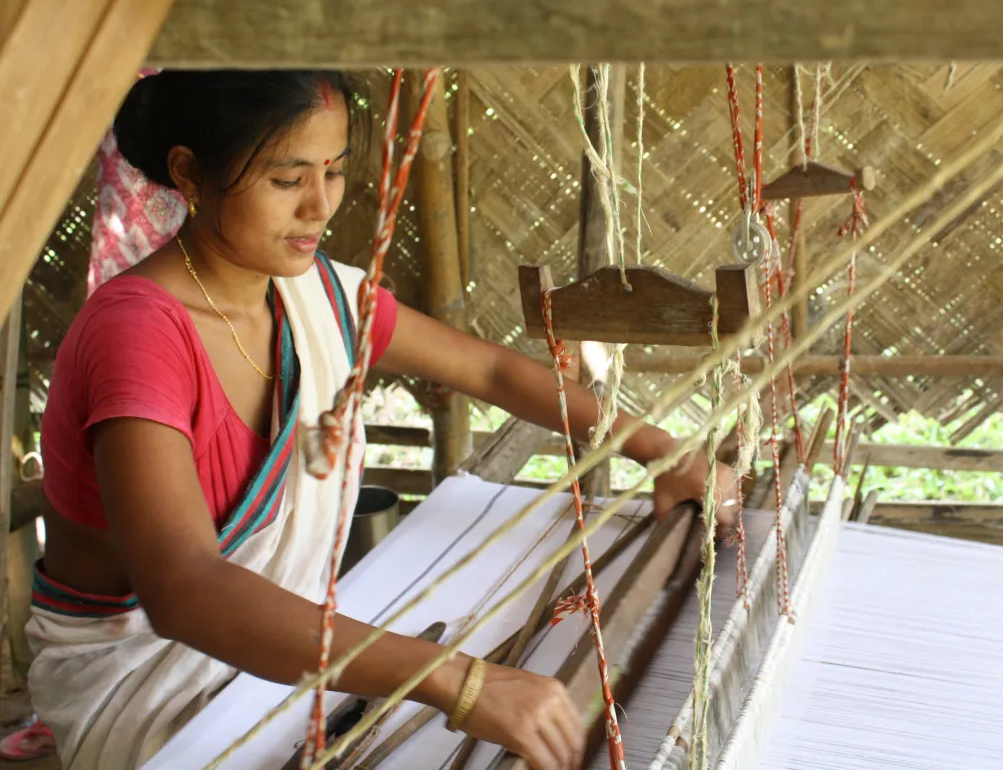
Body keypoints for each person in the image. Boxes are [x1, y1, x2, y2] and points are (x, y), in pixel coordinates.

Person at [26, 69, 736, 770]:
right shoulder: (138, 333)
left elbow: (490, 371)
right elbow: (185, 591)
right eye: (286, 179)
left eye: (332, 172)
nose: (320, 206)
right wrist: (458, 680)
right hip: (155, 693)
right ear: (189, 171)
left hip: (270, 652)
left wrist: (660, 449)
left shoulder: (321, 298)